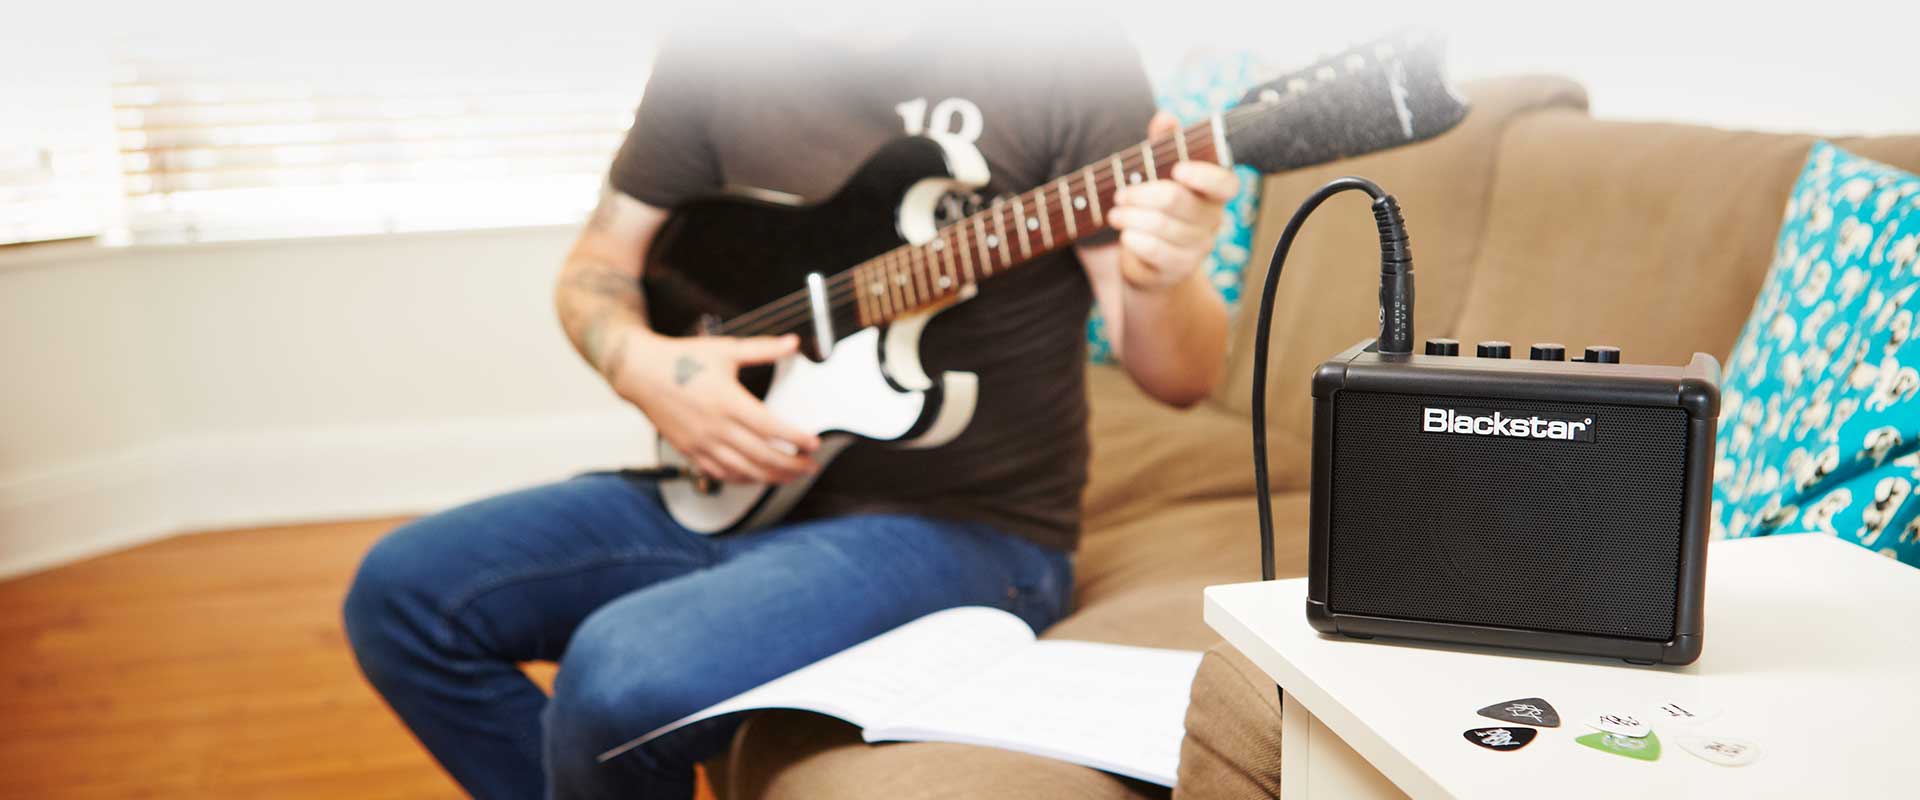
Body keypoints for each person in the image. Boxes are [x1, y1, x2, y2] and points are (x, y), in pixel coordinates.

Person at [343, 16, 1237, 800]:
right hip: (729, 489)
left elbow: (1181, 378)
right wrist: (642, 364)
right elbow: (599, 263)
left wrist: (1163, 277)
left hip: (965, 530)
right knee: (403, 594)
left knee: (621, 673)